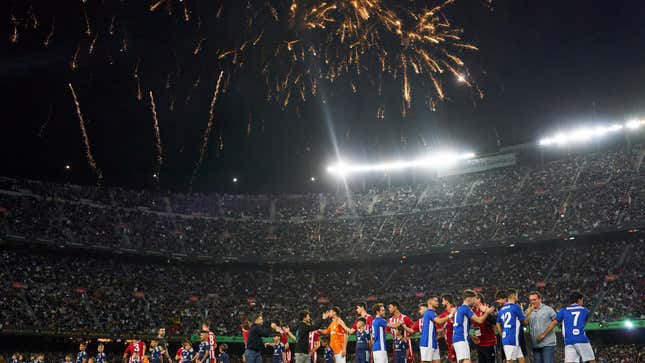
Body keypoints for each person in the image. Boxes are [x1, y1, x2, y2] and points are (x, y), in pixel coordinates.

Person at [538, 292, 596, 363]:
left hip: (569, 341)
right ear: (579, 300)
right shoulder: (585, 310)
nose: (582, 302)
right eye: (582, 300)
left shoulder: (563, 310)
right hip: (581, 339)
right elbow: (582, 322)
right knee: (591, 360)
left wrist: (543, 334)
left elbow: (553, 323)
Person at [452, 289, 495, 363]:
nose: (474, 301)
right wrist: (487, 312)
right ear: (468, 299)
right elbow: (479, 321)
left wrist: (473, 335)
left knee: (465, 361)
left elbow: (470, 325)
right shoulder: (466, 309)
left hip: (460, 339)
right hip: (462, 339)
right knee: (466, 361)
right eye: (473, 299)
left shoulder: (460, 309)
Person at [416, 296, 454, 363]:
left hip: (433, 342)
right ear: (430, 302)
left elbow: (432, 329)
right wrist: (451, 315)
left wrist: (442, 329)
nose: (438, 302)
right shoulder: (429, 312)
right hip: (427, 342)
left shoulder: (432, 313)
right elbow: (439, 321)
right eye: (435, 301)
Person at [496, 290, 530, 363]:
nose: (517, 297)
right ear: (514, 296)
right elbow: (524, 322)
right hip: (512, 339)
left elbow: (498, 323)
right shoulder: (516, 307)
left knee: (521, 359)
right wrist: (530, 311)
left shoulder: (501, 310)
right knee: (509, 361)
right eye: (516, 295)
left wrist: (501, 334)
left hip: (510, 338)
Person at [526, 291, 556, 363]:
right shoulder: (528, 311)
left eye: (534, 299)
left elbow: (555, 321)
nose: (532, 302)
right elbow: (524, 323)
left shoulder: (548, 309)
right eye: (531, 300)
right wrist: (529, 312)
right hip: (535, 345)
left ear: (540, 299)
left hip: (548, 343)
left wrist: (544, 334)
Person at [471, 293, 498, 363]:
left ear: (479, 299)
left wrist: (487, 312)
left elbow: (495, 321)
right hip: (479, 343)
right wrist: (472, 335)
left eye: (473, 299)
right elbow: (472, 325)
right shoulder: (473, 310)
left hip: (489, 342)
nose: (472, 301)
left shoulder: (487, 308)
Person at [438, 295, 456, 363]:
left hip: (458, 341)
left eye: (443, 301)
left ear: (447, 301)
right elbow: (438, 328)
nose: (442, 303)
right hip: (449, 343)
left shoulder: (458, 311)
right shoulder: (443, 315)